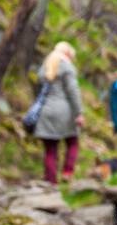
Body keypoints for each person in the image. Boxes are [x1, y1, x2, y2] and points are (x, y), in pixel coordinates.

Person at [34, 41, 84, 184]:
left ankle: (51, 181)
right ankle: (67, 172)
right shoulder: (67, 68)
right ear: (68, 54)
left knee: (50, 149)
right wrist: (79, 113)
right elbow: (73, 92)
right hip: (64, 111)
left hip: (46, 111)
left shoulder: (45, 68)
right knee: (73, 142)